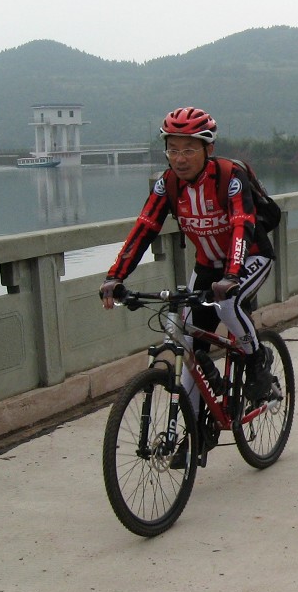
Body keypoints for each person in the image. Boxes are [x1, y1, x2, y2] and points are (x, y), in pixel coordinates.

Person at [99, 107, 278, 435]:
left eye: (189, 150)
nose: (179, 159)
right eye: (173, 150)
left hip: (250, 258)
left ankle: (257, 362)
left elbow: (242, 224)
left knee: (228, 305)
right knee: (189, 347)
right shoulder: (167, 184)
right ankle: (194, 435)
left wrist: (232, 275)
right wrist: (115, 276)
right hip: (208, 266)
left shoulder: (229, 177)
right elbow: (145, 227)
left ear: (209, 149)